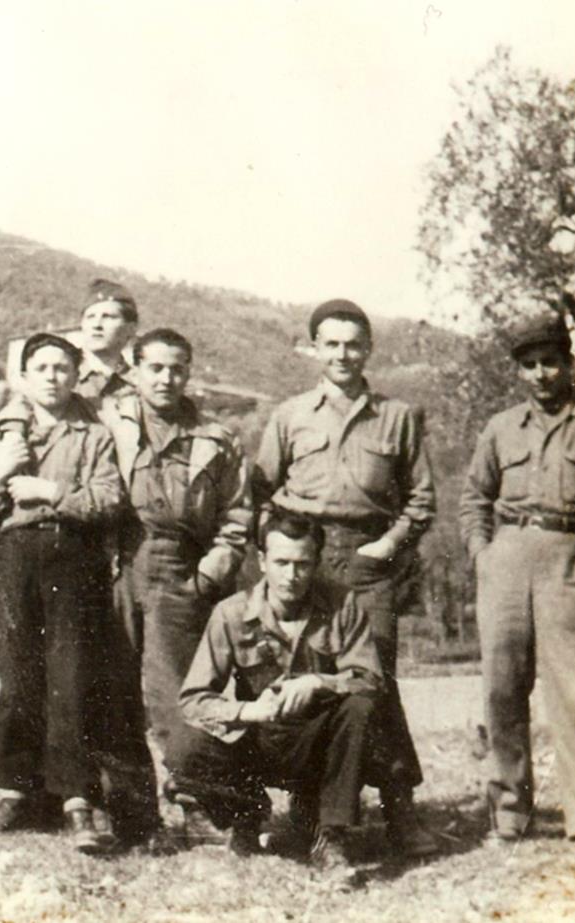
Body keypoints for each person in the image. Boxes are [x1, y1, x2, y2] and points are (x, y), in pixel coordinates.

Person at [457, 311, 575, 872]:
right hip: (508, 560)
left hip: (571, 560)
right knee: (502, 689)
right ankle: (510, 810)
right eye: (530, 365)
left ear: (569, 362)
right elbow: (474, 498)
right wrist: (483, 555)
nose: (541, 374)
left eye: (550, 362)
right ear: (520, 371)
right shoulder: (500, 428)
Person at [252, 298, 438, 858]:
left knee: (373, 681)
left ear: (369, 349)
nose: (343, 354)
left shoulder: (397, 417)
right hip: (305, 557)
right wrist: (282, 551)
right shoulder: (289, 416)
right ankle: (312, 815)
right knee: (309, 677)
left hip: (367, 558)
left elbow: (422, 500)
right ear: (313, 348)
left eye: (353, 343)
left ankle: (401, 812)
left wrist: (385, 547)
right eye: (331, 343)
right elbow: (261, 494)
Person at [0, 333, 127, 854]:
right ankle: (15, 789)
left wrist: (50, 491)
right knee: (17, 674)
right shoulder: (4, 433)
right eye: (42, 368)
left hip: (73, 558)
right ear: (25, 377)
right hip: (12, 560)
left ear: (76, 375)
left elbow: (109, 500)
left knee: (71, 675)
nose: (53, 377)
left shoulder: (94, 433)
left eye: (62, 367)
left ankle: (77, 798)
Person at [166, 511, 386, 881]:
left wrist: (319, 681)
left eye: (302, 564)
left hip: (319, 743)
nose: (291, 575)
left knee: (360, 707)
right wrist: (249, 710)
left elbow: (371, 679)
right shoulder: (231, 614)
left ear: (316, 563)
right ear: (262, 561)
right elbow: (193, 699)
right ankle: (246, 815)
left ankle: (330, 836)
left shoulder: (342, 604)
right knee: (184, 746)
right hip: (259, 741)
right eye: (281, 562)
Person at [99, 328, 252, 808]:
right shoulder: (108, 422)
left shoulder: (216, 439)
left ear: (188, 372)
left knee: (180, 691)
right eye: (155, 368)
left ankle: (193, 795)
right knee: (113, 685)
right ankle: (127, 806)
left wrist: (209, 574)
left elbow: (239, 515)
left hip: (180, 568)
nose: (166, 379)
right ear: (135, 370)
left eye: (176, 369)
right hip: (116, 561)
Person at [75, 278, 139, 401]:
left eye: (108, 317)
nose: (97, 325)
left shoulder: (139, 384)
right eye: (90, 317)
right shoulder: (61, 376)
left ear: (131, 328)